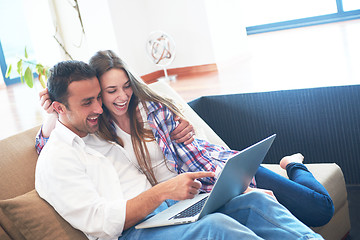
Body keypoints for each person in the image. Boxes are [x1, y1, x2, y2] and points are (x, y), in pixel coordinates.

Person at [37, 50, 334, 227]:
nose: (122, 96)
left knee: (320, 209)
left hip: (221, 170)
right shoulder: (96, 128)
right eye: (110, 90)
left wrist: (238, 189)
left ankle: (294, 164)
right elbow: (51, 146)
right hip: (192, 195)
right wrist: (52, 111)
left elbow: (187, 156)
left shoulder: (150, 109)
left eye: (126, 86)